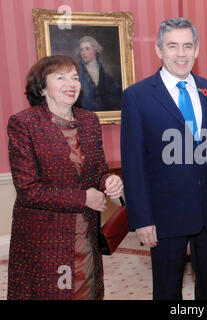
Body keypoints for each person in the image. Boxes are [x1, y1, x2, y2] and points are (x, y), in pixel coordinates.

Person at [120, 17, 207, 300]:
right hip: (163, 216)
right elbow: (133, 165)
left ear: (197, 50)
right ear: (159, 50)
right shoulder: (137, 97)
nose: (181, 53)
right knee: (167, 289)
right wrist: (142, 219)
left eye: (188, 45)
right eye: (172, 46)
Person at [7, 55, 123, 300]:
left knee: (86, 290)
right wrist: (83, 198)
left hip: (85, 234)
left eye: (74, 77)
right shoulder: (24, 124)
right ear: (41, 87)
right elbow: (28, 190)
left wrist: (108, 182)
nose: (71, 83)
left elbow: (98, 171)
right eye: (60, 77)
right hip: (45, 238)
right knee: (55, 293)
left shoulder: (89, 121)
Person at [77, 36, 122, 111]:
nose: (84, 52)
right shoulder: (77, 71)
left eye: (87, 49)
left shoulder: (106, 70)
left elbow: (114, 92)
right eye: (81, 50)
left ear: (94, 50)